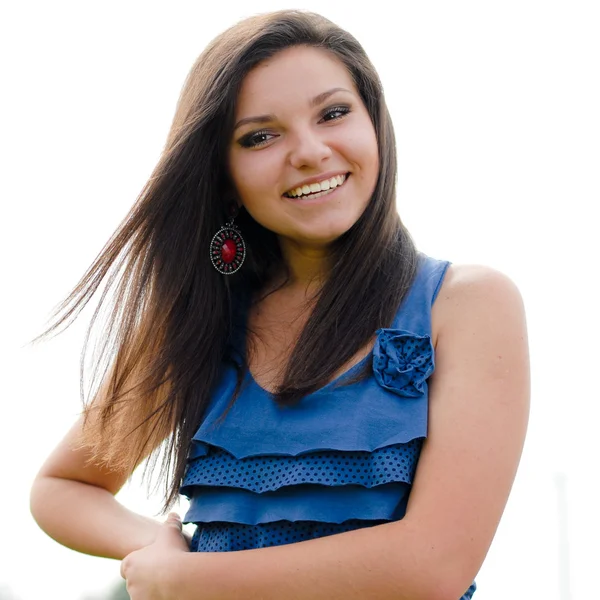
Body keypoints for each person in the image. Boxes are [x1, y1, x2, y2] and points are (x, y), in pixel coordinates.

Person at [29, 9, 529, 600]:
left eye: (334, 113)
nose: (311, 151)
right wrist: (154, 544)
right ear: (223, 175)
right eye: (260, 136)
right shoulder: (197, 322)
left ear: (376, 124)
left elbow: (432, 564)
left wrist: (191, 579)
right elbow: (62, 486)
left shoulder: (466, 305)